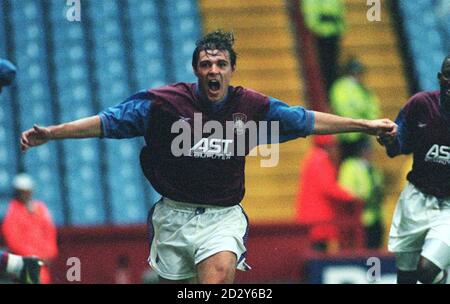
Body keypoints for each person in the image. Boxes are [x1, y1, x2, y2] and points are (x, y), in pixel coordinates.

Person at [20, 30, 397, 284]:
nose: (213, 70)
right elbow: (108, 122)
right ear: (196, 70)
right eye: (205, 64)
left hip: (223, 218)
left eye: (220, 64)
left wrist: (364, 125)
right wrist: (52, 133)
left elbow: (306, 120)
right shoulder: (165, 104)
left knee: (216, 277)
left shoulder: (251, 106)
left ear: (232, 69)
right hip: (173, 217)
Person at [377, 55, 450, 284]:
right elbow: (397, 147)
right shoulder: (420, 105)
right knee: (406, 279)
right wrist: (389, 141)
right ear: (440, 78)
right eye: (449, 76)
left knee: (426, 270)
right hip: (416, 199)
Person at [295, 135, 359, 252]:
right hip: (318, 221)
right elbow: (329, 187)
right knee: (318, 250)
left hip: (314, 219)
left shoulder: (313, 158)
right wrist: (352, 195)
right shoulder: (320, 159)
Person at [2, 173, 59, 284]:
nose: (26, 194)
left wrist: (48, 253)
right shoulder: (12, 212)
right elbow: (13, 240)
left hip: (41, 264)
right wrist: (33, 256)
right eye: (22, 191)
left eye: (28, 191)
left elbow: (49, 232)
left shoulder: (40, 209)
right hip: (24, 264)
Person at [330, 58, 381, 159]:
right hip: (347, 132)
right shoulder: (341, 87)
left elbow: (373, 108)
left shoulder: (362, 89)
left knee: (360, 160)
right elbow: (343, 107)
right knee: (350, 161)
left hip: (360, 131)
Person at [338, 141, 385, 249]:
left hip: (375, 217)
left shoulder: (373, 168)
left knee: (374, 252)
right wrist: (363, 196)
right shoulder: (350, 166)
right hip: (359, 218)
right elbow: (346, 190)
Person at [301, 0, 346, 92]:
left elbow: (340, 14)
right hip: (320, 36)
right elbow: (311, 18)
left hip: (334, 34)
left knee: (334, 66)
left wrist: (340, 29)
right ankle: (327, 90)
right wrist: (318, 28)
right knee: (324, 66)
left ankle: (333, 90)